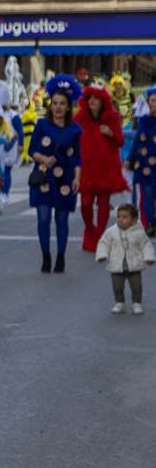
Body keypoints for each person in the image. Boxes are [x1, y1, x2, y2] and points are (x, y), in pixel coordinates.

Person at [29, 74, 83, 274]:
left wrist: (78, 178)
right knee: (43, 218)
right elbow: (31, 150)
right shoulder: (42, 125)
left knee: (62, 219)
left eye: (62, 104)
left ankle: (60, 256)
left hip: (65, 179)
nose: (58, 107)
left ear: (69, 107)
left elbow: (77, 158)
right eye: (55, 103)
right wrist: (43, 159)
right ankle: (46, 256)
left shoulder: (76, 130)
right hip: (43, 177)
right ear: (50, 105)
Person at [74, 84, 128, 252]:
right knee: (85, 203)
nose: (92, 101)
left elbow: (120, 141)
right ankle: (90, 229)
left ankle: (99, 235)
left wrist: (111, 134)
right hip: (87, 169)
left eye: (96, 98)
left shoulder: (112, 118)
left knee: (104, 203)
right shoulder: (79, 119)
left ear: (102, 101)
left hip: (106, 168)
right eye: (89, 98)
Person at [96, 204, 154, 314]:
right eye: (118, 216)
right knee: (117, 287)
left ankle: (137, 303)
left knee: (136, 287)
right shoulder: (112, 231)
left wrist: (149, 257)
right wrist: (102, 255)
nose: (120, 219)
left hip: (134, 266)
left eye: (124, 217)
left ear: (133, 220)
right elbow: (104, 243)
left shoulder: (139, 232)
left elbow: (146, 245)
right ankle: (120, 303)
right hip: (117, 265)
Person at [126, 86, 156, 235]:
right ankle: (150, 223)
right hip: (145, 164)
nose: (155, 103)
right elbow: (137, 140)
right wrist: (130, 159)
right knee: (148, 194)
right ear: (148, 102)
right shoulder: (143, 121)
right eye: (153, 100)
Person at [0, 106, 19, 209]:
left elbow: (7, 148)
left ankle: (0, 198)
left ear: (1, 120)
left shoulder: (6, 133)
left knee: (1, 179)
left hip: (3, 160)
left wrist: (13, 140)